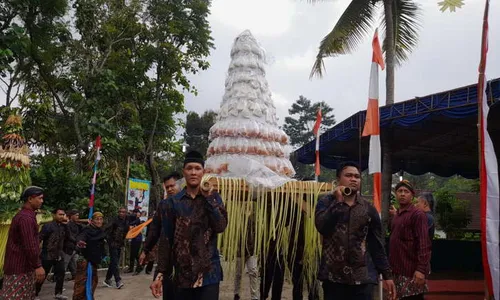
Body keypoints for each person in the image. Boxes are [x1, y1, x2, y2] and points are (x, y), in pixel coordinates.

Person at [150, 151, 228, 300]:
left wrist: (209, 200)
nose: (193, 172)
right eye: (189, 168)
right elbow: (166, 240)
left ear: (203, 172)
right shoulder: (172, 203)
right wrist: (159, 274)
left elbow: (220, 227)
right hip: (181, 276)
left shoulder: (214, 198)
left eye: (197, 168)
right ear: (183, 172)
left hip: (208, 274)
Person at [315, 162, 396, 300]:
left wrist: (387, 275)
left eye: (357, 176)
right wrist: (339, 202)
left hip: (363, 278)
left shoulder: (368, 208)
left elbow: (377, 244)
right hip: (334, 277)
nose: (353, 179)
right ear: (338, 178)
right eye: (348, 175)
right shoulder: (326, 202)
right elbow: (322, 227)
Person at [139, 172, 181, 299]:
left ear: (180, 185)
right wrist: (145, 250)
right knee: (169, 292)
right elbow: (154, 230)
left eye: (172, 186)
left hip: (186, 259)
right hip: (168, 258)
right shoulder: (163, 205)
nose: (169, 189)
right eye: (167, 187)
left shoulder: (191, 203)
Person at [388, 180, 432, 300]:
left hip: (412, 272)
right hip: (397, 270)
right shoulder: (397, 215)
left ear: (412, 195)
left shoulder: (418, 215)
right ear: (396, 194)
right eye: (399, 191)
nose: (402, 194)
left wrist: (421, 270)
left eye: (406, 191)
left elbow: (424, 244)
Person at [0, 186, 45, 300]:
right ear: (30, 199)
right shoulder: (26, 218)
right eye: (39, 198)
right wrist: (38, 266)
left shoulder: (28, 215)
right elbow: (30, 245)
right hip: (19, 268)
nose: (42, 201)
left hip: (23, 267)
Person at [35, 208, 69, 300]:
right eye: (60, 214)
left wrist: (67, 225)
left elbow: (69, 237)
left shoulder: (64, 226)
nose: (62, 216)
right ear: (54, 215)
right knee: (42, 276)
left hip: (59, 254)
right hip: (47, 255)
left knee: (61, 274)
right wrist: (36, 250)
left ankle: (58, 293)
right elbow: (39, 238)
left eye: (63, 214)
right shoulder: (48, 226)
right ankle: (35, 294)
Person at [73, 212, 107, 300]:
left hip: (93, 262)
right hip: (85, 261)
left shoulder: (100, 231)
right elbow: (80, 237)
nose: (99, 221)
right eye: (97, 219)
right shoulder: (87, 230)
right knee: (81, 286)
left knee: (93, 283)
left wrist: (104, 255)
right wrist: (80, 242)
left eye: (101, 219)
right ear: (92, 221)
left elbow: (101, 244)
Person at [234, 207, 258, 300]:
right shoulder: (238, 217)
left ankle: (254, 297)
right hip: (240, 250)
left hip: (252, 251)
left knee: (253, 272)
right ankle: (236, 293)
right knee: (238, 274)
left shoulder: (256, 216)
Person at [103, 207, 129, 289]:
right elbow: (106, 229)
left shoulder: (126, 222)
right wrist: (109, 241)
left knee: (114, 262)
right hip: (113, 244)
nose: (121, 213)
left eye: (123, 212)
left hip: (119, 244)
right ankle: (118, 281)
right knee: (115, 262)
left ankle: (107, 279)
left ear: (126, 213)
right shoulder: (114, 220)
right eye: (120, 212)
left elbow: (125, 233)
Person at [63, 210, 83, 281]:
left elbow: (82, 232)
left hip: (75, 247)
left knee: (74, 264)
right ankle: (58, 280)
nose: (78, 217)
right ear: (72, 216)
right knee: (64, 265)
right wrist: (77, 241)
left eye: (78, 215)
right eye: (76, 215)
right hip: (68, 247)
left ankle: (75, 277)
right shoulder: (67, 225)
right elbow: (69, 236)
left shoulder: (77, 225)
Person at [126, 209, 144, 274]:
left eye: (137, 213)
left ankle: (138, 268)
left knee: (136, 254)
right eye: (135, 213)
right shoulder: (132, 218)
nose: (136, 214)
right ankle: (131, 268)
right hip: (133, 238)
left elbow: (131, 223)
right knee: (132, 254)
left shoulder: (137, 220)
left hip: (138, 239)